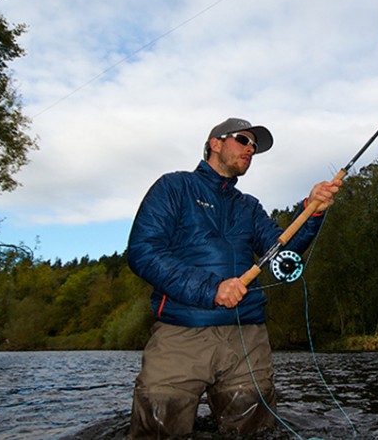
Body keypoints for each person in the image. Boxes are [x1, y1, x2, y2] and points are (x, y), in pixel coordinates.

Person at [126, 117, 342, 438]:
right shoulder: (174, 187)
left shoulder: (250, 207)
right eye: (244, 140)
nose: (251, 149)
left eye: (254, 146)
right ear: (215, 143)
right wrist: (211, 289)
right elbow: (143, 252)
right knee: (159, 428)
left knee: (254, 432)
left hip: (247, 337)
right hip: (182, 333)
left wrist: (312, 211)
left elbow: (281, 252)